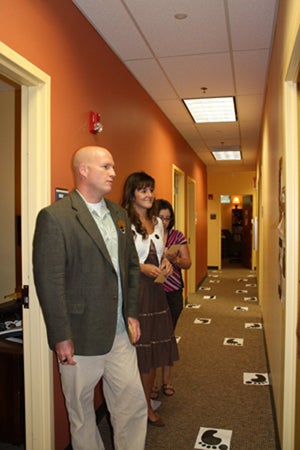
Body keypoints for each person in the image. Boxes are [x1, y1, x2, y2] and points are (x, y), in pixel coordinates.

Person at [32, 146, 147, 450]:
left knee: (132, 405)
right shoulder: (55, 218)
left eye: (113, 166)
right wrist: (61, 336)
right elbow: (49, 282)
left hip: (121, 334)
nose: (113, 173)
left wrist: (131, 312)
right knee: (82, 415)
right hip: (79, 337)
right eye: (106, 167)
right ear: (83, 170)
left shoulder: (120, 214)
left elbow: (131, 267)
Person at [121, 172, 179, 427]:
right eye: (143, 190)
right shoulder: (122, 221)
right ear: (132, 193)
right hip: (136, 291)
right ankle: (135, 408)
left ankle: (146, 406)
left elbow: (161, 251)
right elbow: (119, 258)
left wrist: (165, 261)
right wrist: (141, 268)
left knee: (154, 350)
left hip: (156, 292)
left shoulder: (157, 222)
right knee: (138, 352)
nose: (149, 195)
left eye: (151, 190)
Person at [152, 198, 191, 398]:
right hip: (153, 292)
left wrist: (175, 259)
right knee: (153, 338)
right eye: (161, 217)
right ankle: (151, 382)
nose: (165, 222)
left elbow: (187, 263)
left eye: (168, 218)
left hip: (173, 292)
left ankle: (167, 380)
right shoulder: (147, 236)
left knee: (167, 335)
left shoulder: (177, 236)